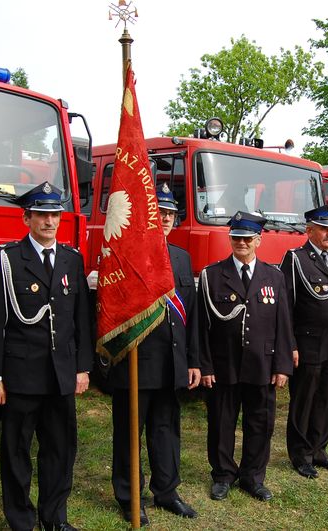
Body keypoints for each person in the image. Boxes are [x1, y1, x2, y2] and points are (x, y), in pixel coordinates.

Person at [0, 181, 93, 531]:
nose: (49, 221)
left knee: (60, 449)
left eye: (55, 214)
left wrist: (83, 367)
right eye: (42, 214)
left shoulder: (72, 259)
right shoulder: (8, 259)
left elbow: (81, 320)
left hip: (61, 374)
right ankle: (21, 519)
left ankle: (54, 516)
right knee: (17, 452)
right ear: (27, 217)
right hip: (22, 374)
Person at [108, 185, 200, 524]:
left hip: (171, 362)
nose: (163, 218)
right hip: (136, 362)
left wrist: (193, 360)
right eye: (158, 213)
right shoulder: (126, 254)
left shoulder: (181, 257)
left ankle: (166, 490)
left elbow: (191, 315)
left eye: (170, 214)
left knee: (166, 430)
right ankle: (129, 496)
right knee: (130, 433)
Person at [199, 211, 293, 501]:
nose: (242, 243)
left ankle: (253, 477)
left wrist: (283, 366)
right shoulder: (212, 275)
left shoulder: (274, 277)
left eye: (247, 238)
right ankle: (223, 475)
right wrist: (204, 365)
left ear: (258, 241)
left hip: (261, 364)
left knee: (260, 424)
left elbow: (283, 325)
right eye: (236, 238)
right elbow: (202, 327)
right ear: (230, 240)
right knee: (221, 423)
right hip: (224, 364)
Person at [280, 205, 328, 479]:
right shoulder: (296, 259)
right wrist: (290, 345)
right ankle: (300, 454)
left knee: (326, 397)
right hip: (308, 343)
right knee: (304, 400)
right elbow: (286, 307)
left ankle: (319, 449)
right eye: (323, 229)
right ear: (309, 230)